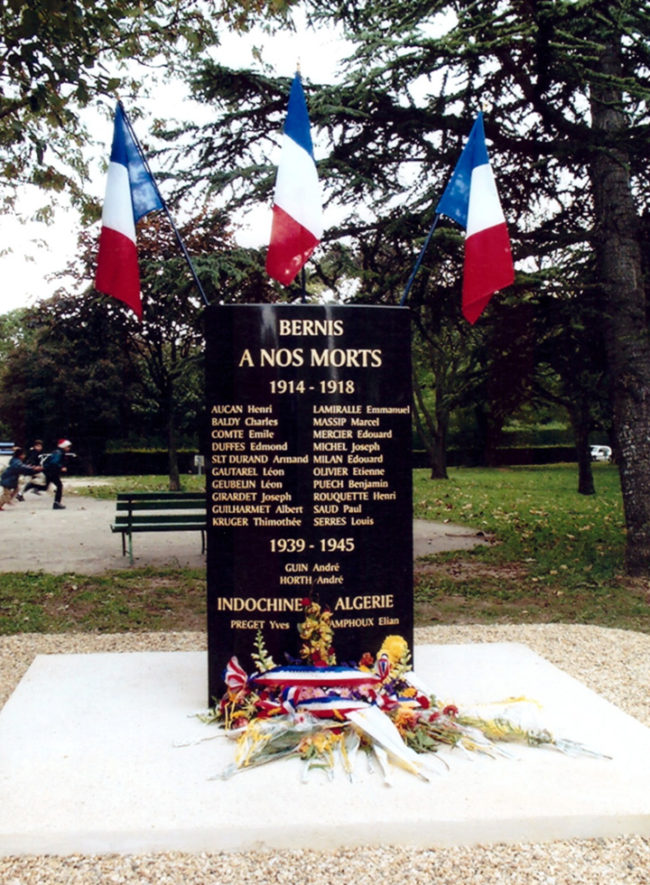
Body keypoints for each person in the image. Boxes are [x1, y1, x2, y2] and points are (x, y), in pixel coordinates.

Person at [42, 438, 72, 510]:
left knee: (44, 487)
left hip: (49, 471)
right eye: (68, 446)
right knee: (59, 485)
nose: (69, 448)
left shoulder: (58, 452)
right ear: (64, 446)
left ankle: (30, 485)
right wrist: (61, 467)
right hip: (52, 472)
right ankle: (56, 503)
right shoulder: (59, 453)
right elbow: (54, 462)